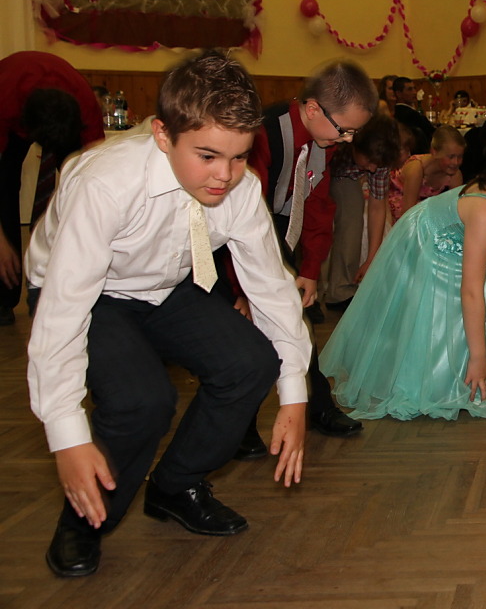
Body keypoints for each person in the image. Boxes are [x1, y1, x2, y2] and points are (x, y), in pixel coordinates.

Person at [24, 50, 309, 577]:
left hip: (165, 286)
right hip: (88, 290)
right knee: (142, 402)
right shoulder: (106, 183)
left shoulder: (240, 188)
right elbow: (64, 307)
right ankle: (84, 521)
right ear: (162, 134)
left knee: (250, 363)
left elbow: (271, 286)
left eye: (240, 157)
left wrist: (294, 393)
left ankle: (175, 485)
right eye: (208, 156)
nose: (225, 176)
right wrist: (67, 437)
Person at [320, 118, 486, 420]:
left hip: (465, 244)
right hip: (428, 239)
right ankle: (446, 373)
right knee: (474, 292)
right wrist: (478, 357)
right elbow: (471, 290)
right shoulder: (484, 208)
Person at [239, 60, 376, 445]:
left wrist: (311, 269)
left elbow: (316, 204)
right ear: (313, 109)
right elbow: (243, 214)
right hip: (242, 234)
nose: (347, 139)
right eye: (344, 129)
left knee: (296, 322)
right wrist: (242, 287)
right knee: (249, 334)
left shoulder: (321, 140)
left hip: (281, 228)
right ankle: (240, 425)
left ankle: (317, 405)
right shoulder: (263, 133)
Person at [0, 52, 105, 326]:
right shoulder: (4, 99)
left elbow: (95, 166)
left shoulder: (84, 103)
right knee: (4, 191)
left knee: (81, 184)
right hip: (9, 111)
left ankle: (73, 278)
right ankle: (3, 297)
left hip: (62, 112)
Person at [323, 115, 409, 313]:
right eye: (369, 161)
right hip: (322, 168)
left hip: (346, 176)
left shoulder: (379, 160)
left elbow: (377, 207)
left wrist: (371, 259)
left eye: (377, 164)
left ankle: (340, 290)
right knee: (325, 223)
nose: (372, 168)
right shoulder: (335, 140)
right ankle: (316, 289)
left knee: (353, 213)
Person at [388, 125, 465, 220]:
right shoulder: (416, 169)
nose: (456, 162)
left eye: (460, 156)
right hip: (395, 215)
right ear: (434, 152)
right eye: (451, 157)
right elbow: (407, 214)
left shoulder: (454, 174)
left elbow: (455, 211)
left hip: (422, 216)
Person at [392, 76, 436, 154]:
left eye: (414, 88)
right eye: (409, 89)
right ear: (399, 94)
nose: (414, 92)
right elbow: (432, 132)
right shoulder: (411, 115)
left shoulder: (396, 112)